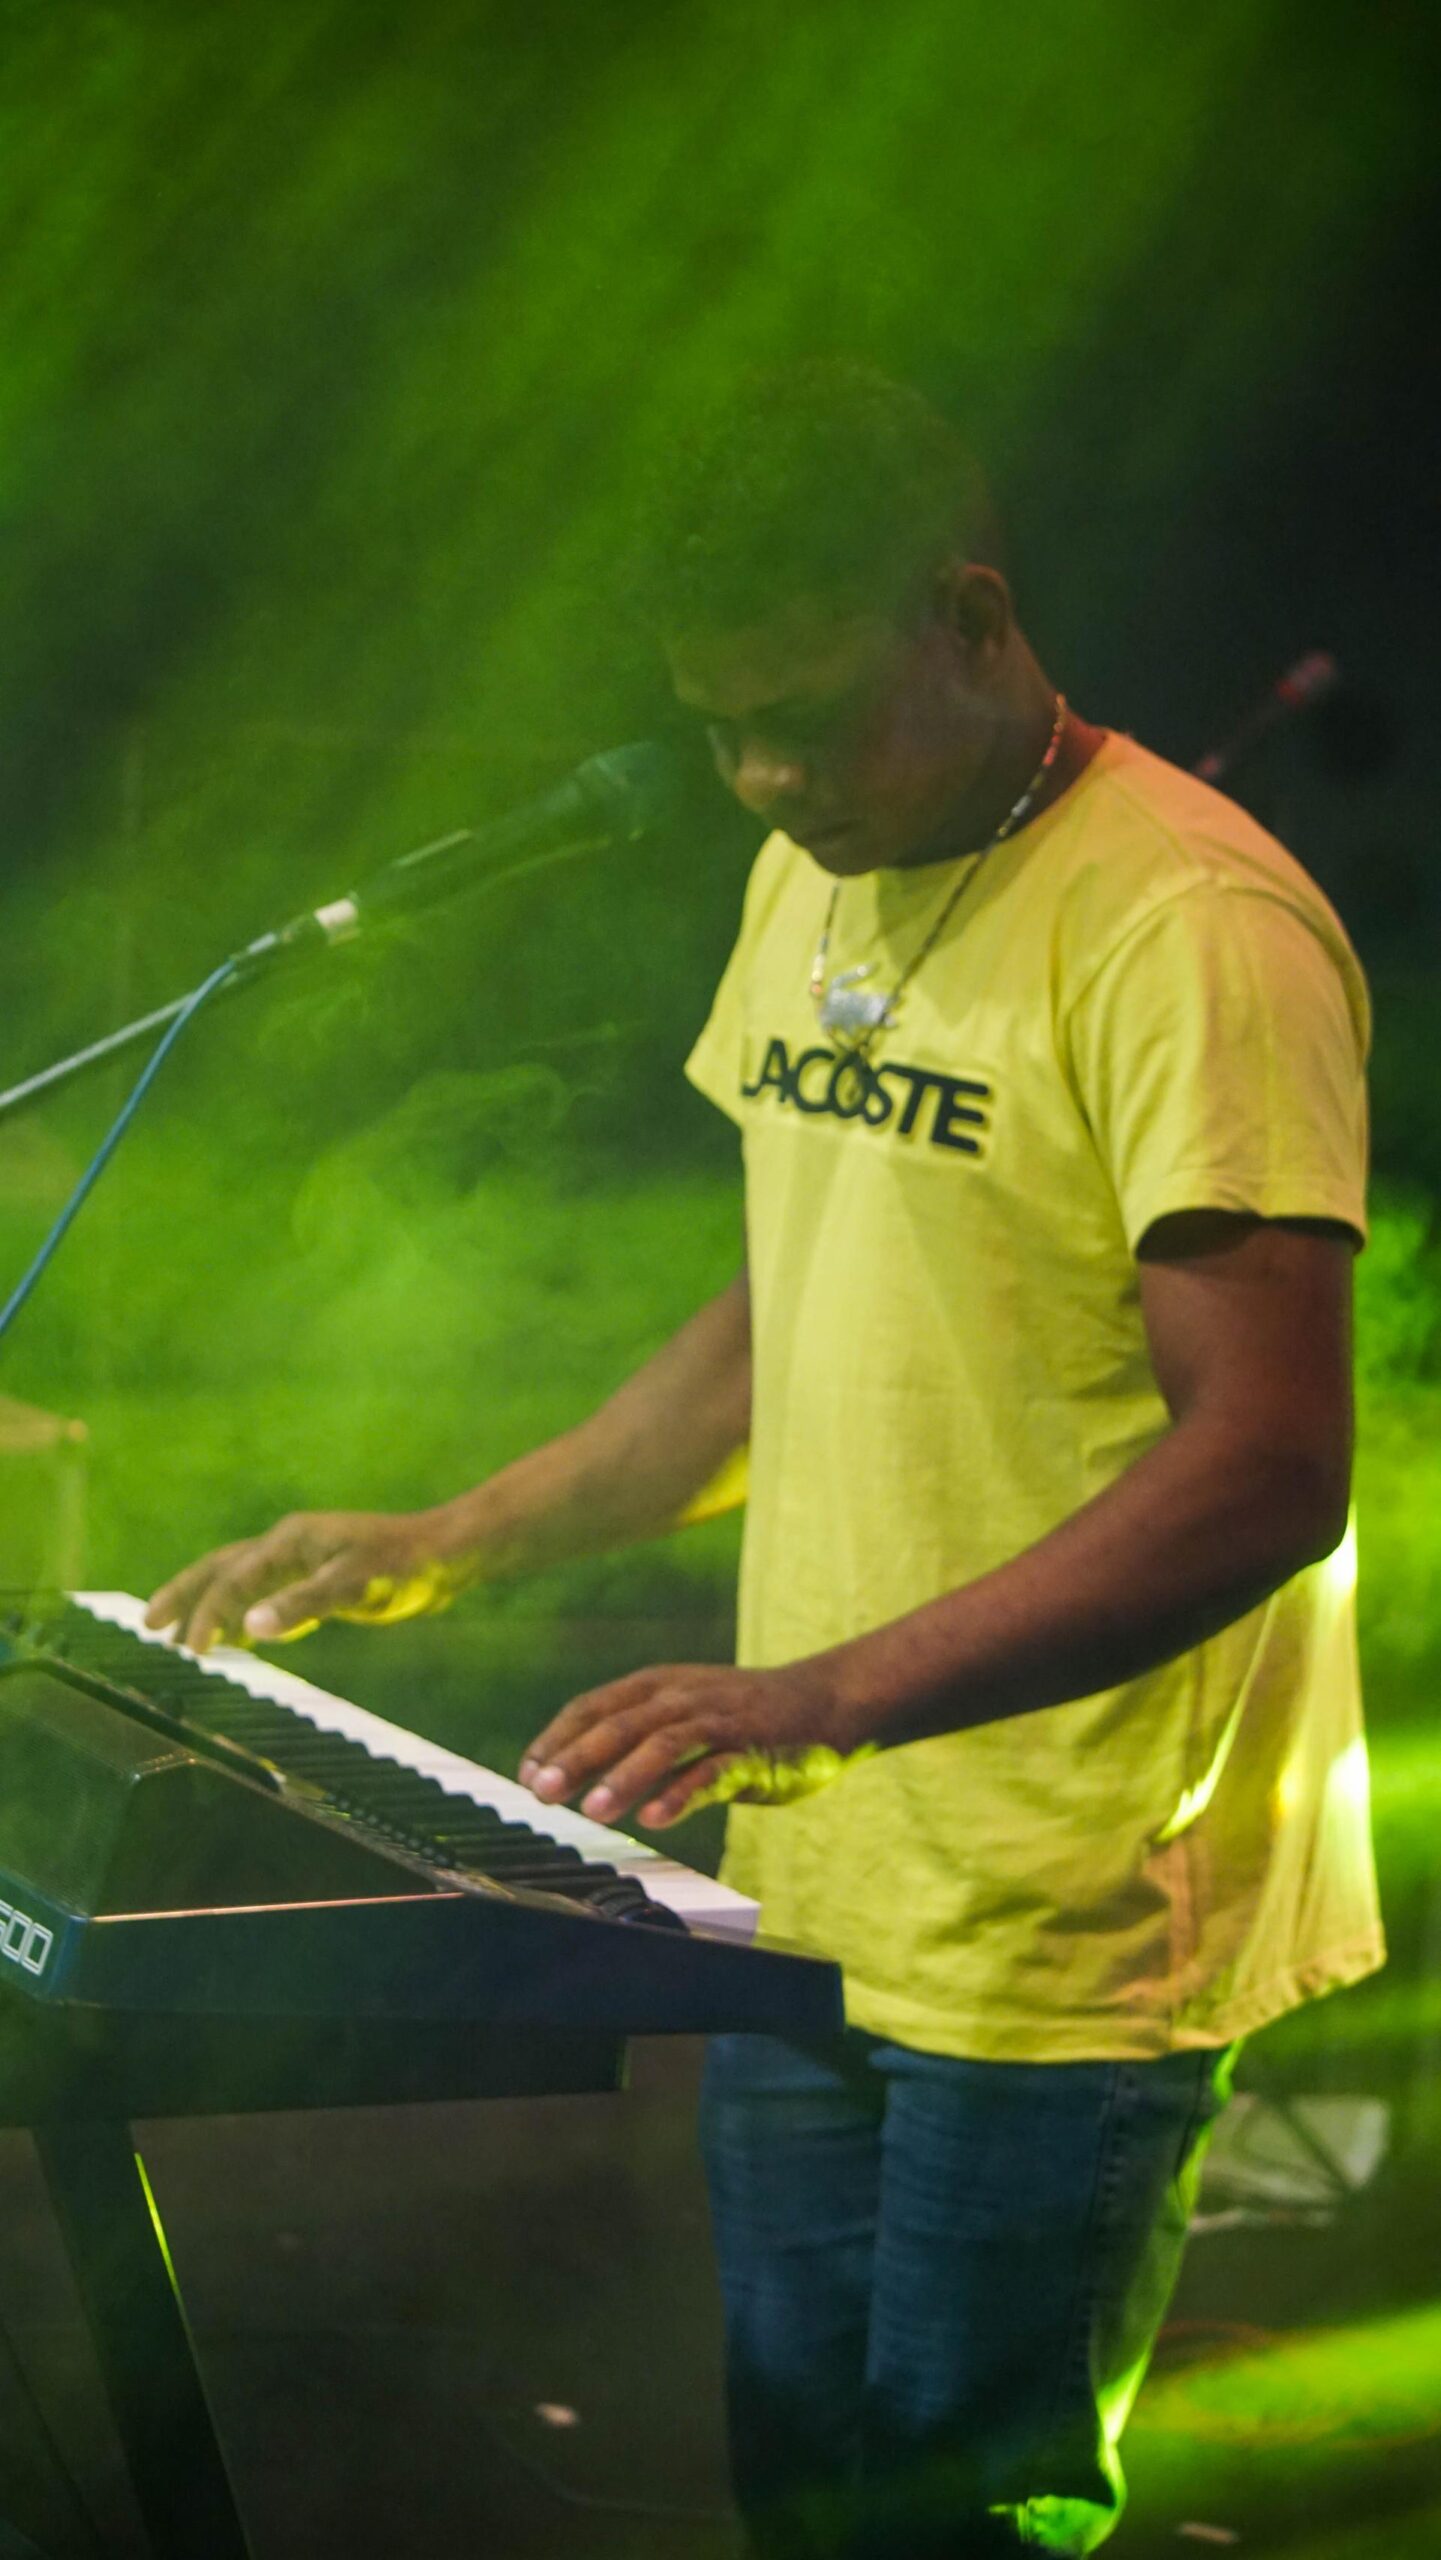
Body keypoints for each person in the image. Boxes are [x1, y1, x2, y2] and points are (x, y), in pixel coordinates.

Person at [148, 365, 1383, 2558]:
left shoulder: (1187, 927)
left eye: (803, 716)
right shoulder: (808, 878)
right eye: (719, 728)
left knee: (953, 2522)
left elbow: (1270, 1467)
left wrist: (816, 1693)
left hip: (1069, 1914)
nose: (761, 777)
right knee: (802, 2493)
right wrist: (448, 1538)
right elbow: (779, 1317)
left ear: (968, 619)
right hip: (812, 1880)